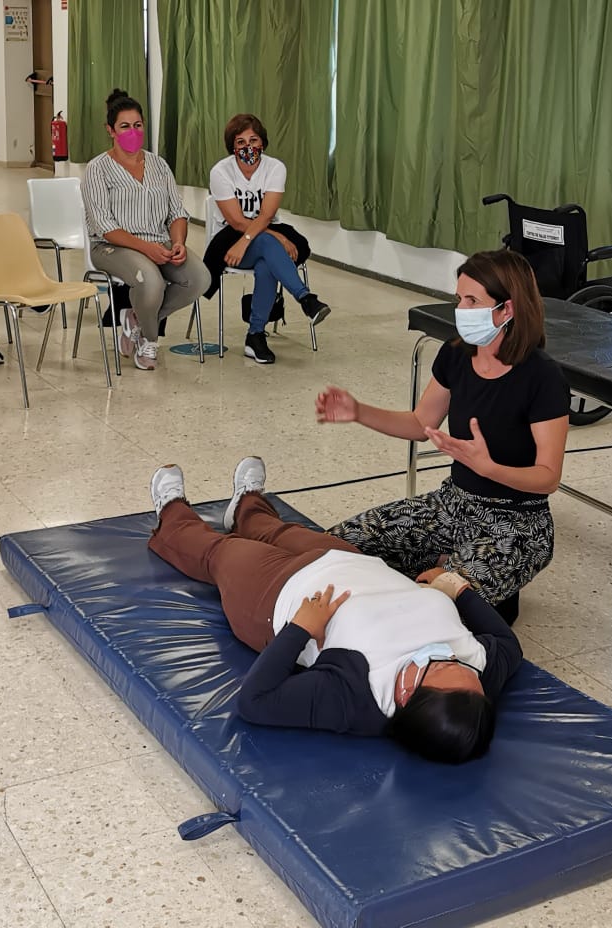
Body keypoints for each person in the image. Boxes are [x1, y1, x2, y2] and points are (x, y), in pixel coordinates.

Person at [146, 456, 523, 764]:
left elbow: (255, 702)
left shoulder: (356, 699)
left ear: (407, 696)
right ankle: (246, 507)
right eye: (461, 668)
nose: (450, 658)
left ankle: (172, 516)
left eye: (440, 667)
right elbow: (508, 646)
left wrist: (300, 628)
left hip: (276, 596)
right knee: (275, 529)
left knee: (218, 551)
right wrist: (458, 591)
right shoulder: (476, 677)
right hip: (350, 563)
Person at [317, 250, 570, 615]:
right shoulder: (456, 355)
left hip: (517, 523)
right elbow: (421, 423)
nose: (461, 309)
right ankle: (448, 566)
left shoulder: (542, 377)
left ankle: (459, 575)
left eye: (473, 301)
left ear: (507, 310)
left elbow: (548, 478)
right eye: (459, 299)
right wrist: (358, 411)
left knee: (433, 601)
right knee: (335, 546)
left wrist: (489, 468)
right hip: (452, 505)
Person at [81, 88, 207, 371]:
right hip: (112, 247)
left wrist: (178, 242)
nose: (132, 131)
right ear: (111, 130)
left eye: (138, 125)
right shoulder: (97, 169)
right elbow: (105, 225)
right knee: (152, 282)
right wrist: (146, 248)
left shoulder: (159, 165)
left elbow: (177, 212)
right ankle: (149, 342)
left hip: (159, 243)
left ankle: (136, 320)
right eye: (125, 126)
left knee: (199, 279)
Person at [204, 113, 330, 365]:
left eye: (253, 140)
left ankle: (256, 335)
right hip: (229, 239)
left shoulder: (274, 167)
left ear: (262, 142)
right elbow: (237, 221)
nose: (248, 147)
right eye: (240, 142)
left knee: (266, 264)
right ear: (232, 147)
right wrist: (270, 238)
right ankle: (306, 299)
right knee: (268, 244)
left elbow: (267, 214)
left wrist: (264, 235)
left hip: (261, 231)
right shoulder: (221, 171)